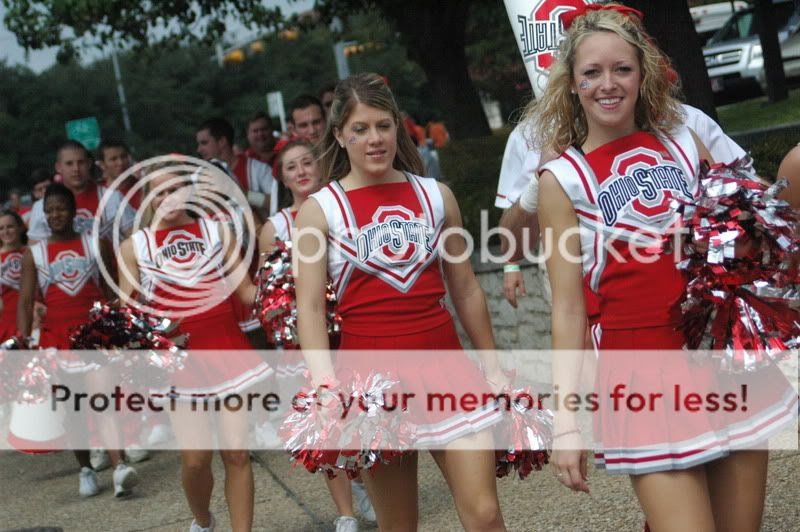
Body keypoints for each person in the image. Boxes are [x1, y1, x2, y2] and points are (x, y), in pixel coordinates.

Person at [531, 5, 795, 531]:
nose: (608, 84)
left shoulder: (683, 140)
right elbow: (566, 309)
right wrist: (566, 423)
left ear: (643, 73)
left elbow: (746, 235)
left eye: (621, 69)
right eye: (592, 72)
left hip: (719, 359)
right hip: (643, 372)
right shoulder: (561, 180)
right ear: (572, 83)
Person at [295, 73, 508, 531]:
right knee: (399, 525)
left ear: (398, 126)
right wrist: (324, 383)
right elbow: (310, 310)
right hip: (372, 382)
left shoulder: (436, 196)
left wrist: (491, 366)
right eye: (360, 129)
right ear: (339, 135)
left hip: (447, 367)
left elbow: (466, 288)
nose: (375, 139)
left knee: (486, 514)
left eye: (383, 126)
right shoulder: (320, 211)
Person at [117, 159, 272, 532]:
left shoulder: (218, 232)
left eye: (175, 188)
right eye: (159, 191)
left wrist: (284, 280)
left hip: (227, 348)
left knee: (237, 454)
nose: (168, 198)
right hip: (180, 362)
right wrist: (154, 335)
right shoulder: (134, 248)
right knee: (196, 460)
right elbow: (127, 316)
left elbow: (248, 292)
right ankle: (203, 521)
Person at [258, 138, 377, 530]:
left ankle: (364, 483)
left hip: (350, 330)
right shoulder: (274, 227)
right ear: (283, 177)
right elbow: (266, 292)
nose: (302, 171)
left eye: (308, 162)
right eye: (292, 167)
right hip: (302, 340)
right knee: (324, 422)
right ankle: (345, 512)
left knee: (358, 417)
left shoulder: (340, 208)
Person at [17, 183, 139, 498]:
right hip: (56, 338)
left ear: (74, 212)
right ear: (44, 216)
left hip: (95, 334)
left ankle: (119, 467)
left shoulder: (95, 243)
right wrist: (22, 344)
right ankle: (85, 468)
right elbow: (26, 299)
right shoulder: (35, 253)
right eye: (50, 210)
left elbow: (113, 288)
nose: (56, 214)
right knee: (72, 408)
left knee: (103, 400)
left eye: (62, 208)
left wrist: (120, 321)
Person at [27, 140, 135, 242]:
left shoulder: (113, 198)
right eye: (69, 164)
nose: (76, 169)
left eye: (81, 162)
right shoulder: (40, 207)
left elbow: (134, 240)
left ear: (88, 164)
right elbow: (35, 253)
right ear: (58, 167)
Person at [196, 117, 278, 215]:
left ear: (222, 141)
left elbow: (277, 202)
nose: (199, 149)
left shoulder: (258, 169)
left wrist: (242, 194)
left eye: (204, 143)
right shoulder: (201, 176)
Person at [0, 210, 27, 340]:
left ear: (20, 228)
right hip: (5, 322)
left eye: (10, 226)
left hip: (34, 319)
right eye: (1, 228)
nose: (6, 232)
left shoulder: (34, 253)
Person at [97, 139, 140, 208]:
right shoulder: (97, 193)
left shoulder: (143, 188)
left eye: (123, 157)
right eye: (113, 159)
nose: (120, 163)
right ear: (102, 165)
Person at [777, 143, 800, 208]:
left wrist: (762, 201)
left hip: (776, 210)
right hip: (790, 214)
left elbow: (778, 186)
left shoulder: (795, 151)